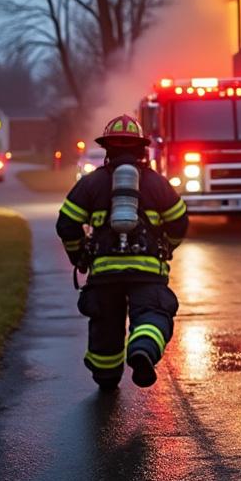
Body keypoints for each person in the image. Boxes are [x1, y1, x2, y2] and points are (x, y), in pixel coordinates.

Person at [57, 114, 188, 390]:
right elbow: (180, 221)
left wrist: (78, 255)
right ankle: (142, 349)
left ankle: (106, 376)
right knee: (152, 313)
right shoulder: (156, 183)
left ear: (108, 149)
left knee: (105, 323)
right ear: (141, 148)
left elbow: (67, 223)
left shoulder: (91, 183)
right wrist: (168, 247)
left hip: (104, 273)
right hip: (147, 272)